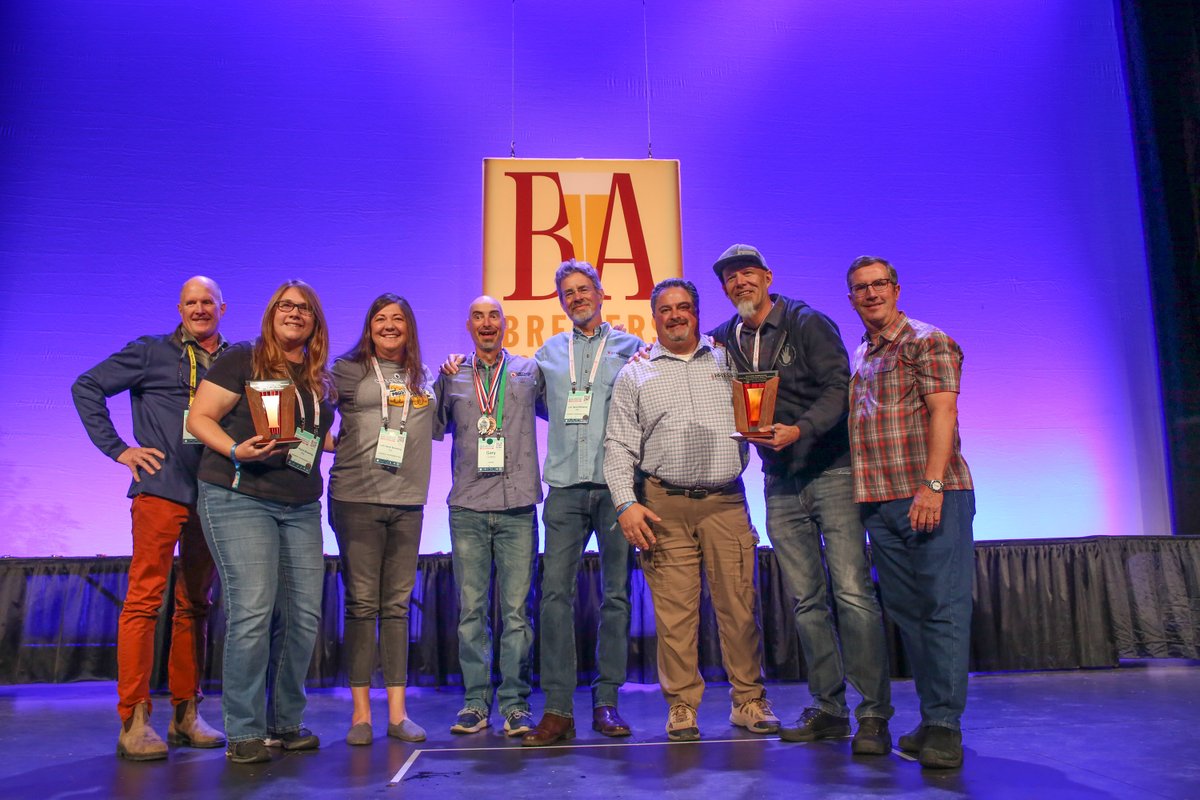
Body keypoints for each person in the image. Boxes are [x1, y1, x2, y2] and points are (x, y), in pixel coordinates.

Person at [708, 244, 893, 754]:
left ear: (767, 276)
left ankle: (873, 714)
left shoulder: (808, 322)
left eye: (748, 273)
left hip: (832, 471)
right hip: (778, 482)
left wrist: (800, 429)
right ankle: (829, 709)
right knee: (807, 601)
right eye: (730, 278)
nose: (740, 283)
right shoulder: (725, 338)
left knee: (853, 594)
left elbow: (841, 388)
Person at [603, 278, 779, 741]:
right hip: (664, 506)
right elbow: (619, 444)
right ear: (654, 316)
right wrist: (625, 503)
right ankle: (682, 706)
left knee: (739, 608)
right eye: (666, 309)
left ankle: (748, 701)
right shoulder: (635, 372)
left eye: (684, 307)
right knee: (675, 615)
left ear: (697, 313)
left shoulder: (729, 359)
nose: (675, 315)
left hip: (725, 501)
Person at [71, 276, 229, 761]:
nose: (199, 309)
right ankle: (134, 717)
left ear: (223, 308)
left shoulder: (235, 360)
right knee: (143, 601)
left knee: (195, 605)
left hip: (213, 493)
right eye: (191, 303)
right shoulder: (150, 352)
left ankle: (186, 713)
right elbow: (88, 386)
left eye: (208, 302)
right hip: (160, 490)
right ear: (179, 308)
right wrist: (120, 450)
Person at [186, 280, 335, 764]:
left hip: (299, 503)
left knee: (303, 615)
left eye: (304, 308)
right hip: (239, 494)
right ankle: (245, 730)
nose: (294, 313)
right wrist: (234, 448)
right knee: (252, 610)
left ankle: (286, 722)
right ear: (271, 313)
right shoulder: (242, 360)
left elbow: (316, 438)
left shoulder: (319, 377)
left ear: (315, 321)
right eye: (286, 306)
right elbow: (199, 418)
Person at [845, 256, 975, 769]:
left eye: (879, 284)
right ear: (851, 298)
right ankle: (930, 719)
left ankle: (945, 726)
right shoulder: (863, 352)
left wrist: (932, 485)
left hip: (932, 495)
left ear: (896, 289)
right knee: (911, 615)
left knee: (943, 610)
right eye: (860, 288)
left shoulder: (928, 340)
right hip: (881, 503)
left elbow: (944, 410)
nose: (871, 293)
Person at [522, 260, 643, 746]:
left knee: (616, 596)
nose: (576, 298)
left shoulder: (633, 350)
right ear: (560, 301)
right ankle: (557, 709)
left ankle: (606, 701)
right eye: (567, 293)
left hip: (618, 490)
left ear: (600, 292)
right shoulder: (549, 354)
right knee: (554, 597)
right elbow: (522, 401)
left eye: (583, 289)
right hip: (566, 489)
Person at [328, 293, 437, 745]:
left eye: (398, 319)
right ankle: (360, 716)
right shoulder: (345, 370)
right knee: (361, 606)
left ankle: (396, 713)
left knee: (395, 607)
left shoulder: (425, 376)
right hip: (356, 497)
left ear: (409, 328)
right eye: (380, 318)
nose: (389, 325)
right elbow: (312, 418)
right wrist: (341, 447)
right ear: (369, 326)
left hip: (408, 500)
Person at [434, 296, 543, 737]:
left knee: (517, 612)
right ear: (468, 325)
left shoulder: (529, 372)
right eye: (478, 317)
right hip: (468, 508)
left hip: (518, 507)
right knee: (471, 612)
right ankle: (475, 702)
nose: (486, 323)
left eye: (493, 316)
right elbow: (431, 426)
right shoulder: (452, 375)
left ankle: (515, 703)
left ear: (505, 324)